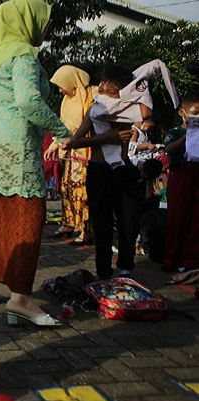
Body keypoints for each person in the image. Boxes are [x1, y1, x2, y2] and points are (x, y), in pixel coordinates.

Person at [0, 0, 71, 325]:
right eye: (42, 22)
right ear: (25, 22)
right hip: (18, 151)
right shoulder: (23, 55)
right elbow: (28, 100)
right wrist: (60, 130)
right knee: (27, 221)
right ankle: (21, 299)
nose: (44, 29)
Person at [62, 65, 142, 280]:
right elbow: (76, 142)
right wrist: (108, 138)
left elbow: (148, 113)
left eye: (111, 92)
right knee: (102, 224)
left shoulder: (130, 110)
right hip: (99, 171)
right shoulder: (94, 110)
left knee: (128, 223)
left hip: (124, 170)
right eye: (102, 90)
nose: (104, 95)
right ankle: (104, 272)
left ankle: (126, 268)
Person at [45, 65, 96, 245]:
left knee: (84, 190)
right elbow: (63, 125)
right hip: (71, 153)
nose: (60, 90)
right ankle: (68, 223)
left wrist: (59, 143)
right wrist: (55, 144)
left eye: (61, 84)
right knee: (67, 187)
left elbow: (78, 126)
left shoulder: (92, 95)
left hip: (86, 151)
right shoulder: (67, 100)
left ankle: (85, 229)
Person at [162, 90, 199, 272]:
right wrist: (188, 136)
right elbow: (168, 149)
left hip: (197, 173)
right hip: (181, 174)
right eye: (195, 112)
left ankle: (189, 260)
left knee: (195, 219)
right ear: (183, 113)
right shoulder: (176, 132)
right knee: (177, 217)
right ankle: (170, 258)